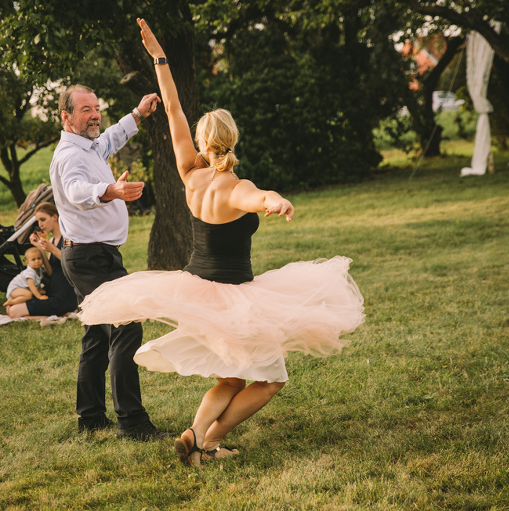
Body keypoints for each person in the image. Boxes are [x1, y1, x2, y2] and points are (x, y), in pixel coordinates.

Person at [78, 19, 366, 465]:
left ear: (202, 142)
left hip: (199, 289)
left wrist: (160, 58)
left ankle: (200, 444)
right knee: (270, 381)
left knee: (231, 378)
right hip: (234, 297)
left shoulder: (190, 174)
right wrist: (276, 200)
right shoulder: (237, 187)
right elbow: (258, 197)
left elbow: (172, 108)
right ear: (232, 141)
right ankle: (200, 437)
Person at [50, 83, 174, 440]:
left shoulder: (89, 146)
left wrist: (138, 113)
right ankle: (132, 423)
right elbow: (75, 191)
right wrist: (111, 191)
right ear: (66, 116)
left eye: (96, 108)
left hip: (91, 254)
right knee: (126, 326)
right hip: (90, 258)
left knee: (97, 335)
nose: (94, 115)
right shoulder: (69, 155)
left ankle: (90, 418)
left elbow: (110, 139)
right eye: (85, 110)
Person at [7, 203, 78, 322]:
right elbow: (51, 272)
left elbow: (74, 264)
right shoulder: (51, 240)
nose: (40, 225)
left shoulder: (68, 238)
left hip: (64, 296)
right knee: (10, 309)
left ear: (54, 217)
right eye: (38, 221)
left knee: (13, 312)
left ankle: (55, 318)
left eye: (43, 220)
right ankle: (55, 316)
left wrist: (53, 249)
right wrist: (40, 247)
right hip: (52, 292)